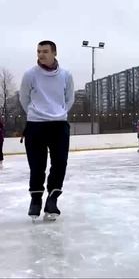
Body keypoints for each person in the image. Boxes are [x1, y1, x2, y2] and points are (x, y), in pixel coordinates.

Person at [20, 40, 75, 222]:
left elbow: (69, 99)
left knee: (60, 164)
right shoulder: (30, 75)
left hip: (59, 125)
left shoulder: (66, 75)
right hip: (36, 125)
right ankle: (35, 200)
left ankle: (52, 199)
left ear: (54, 53)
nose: (41, 54)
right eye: (38, 51)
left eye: (45, 51)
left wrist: (59, 113)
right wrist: (36, 113)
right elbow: (24, 98)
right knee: (37, 165)